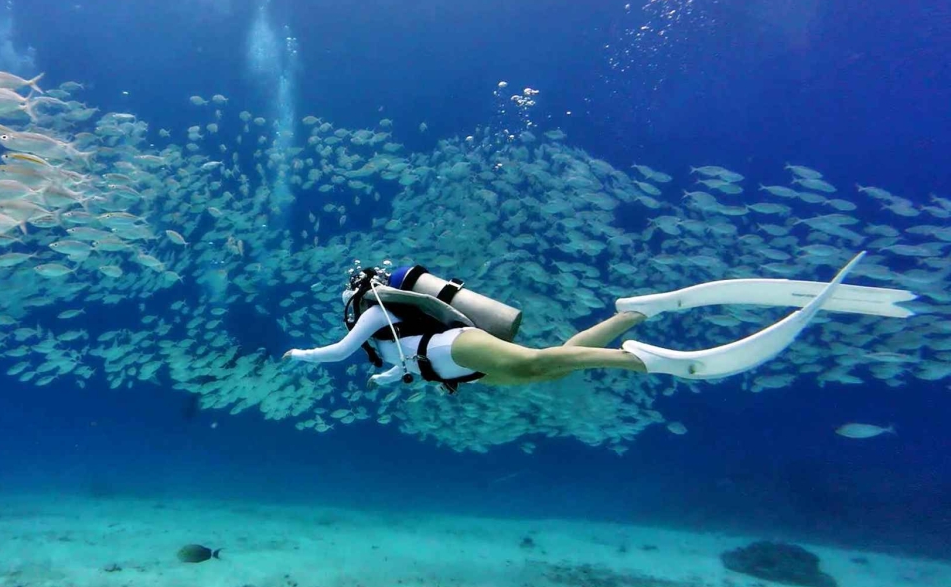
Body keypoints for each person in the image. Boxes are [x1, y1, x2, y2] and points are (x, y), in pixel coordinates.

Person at [283, 254, 914, 390]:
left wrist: (303, 356)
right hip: (456, 361)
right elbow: (398, 366)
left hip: (459, 346)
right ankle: (637, 313)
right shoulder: (390, 332)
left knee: (539, 365)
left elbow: (338, 352)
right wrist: (385, 380)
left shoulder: (375, 316)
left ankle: (643, 358)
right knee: (552, 362)